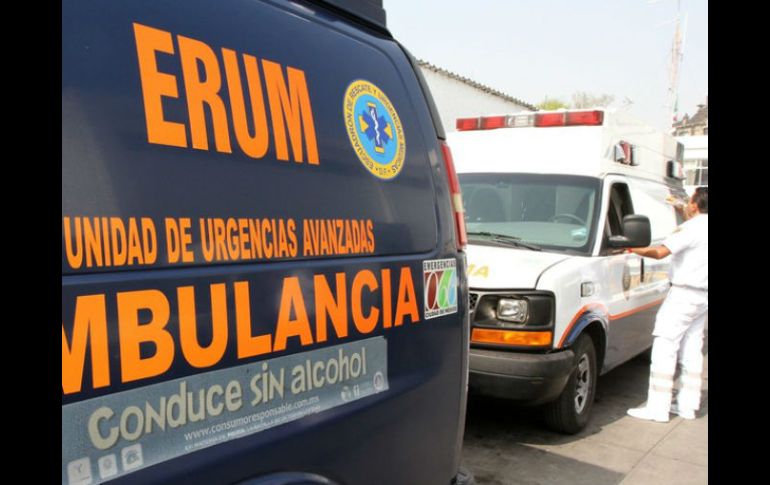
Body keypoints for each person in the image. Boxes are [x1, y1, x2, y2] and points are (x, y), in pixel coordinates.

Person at [627, 187, 708, 422]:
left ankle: (657, 408)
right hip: (702, 297)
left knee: (665, 347)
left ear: (695, 205)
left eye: (690, 201)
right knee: (692, 350)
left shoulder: (691, 228)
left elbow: (660, 252)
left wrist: (631, 248)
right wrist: (679, 208)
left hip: (683, 295)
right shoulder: (699, 226)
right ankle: (687, 406)